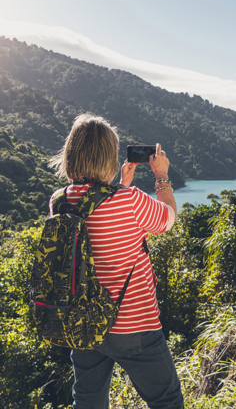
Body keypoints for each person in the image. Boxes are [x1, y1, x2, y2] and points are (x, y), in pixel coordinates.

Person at [48, 113, 184, 409]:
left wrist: (121, 185)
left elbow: (91, 224)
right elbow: (168, 218)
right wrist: (162, 176)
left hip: (81, 320)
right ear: (109, 156)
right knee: (167, 400)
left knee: (87, 401)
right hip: (132, 326)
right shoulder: (129, 200)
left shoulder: (59, 200)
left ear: (70, 154)